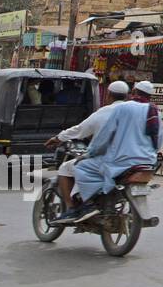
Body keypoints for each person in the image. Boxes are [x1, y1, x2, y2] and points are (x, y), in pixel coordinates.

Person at [54, 83, 159, 224]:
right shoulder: (153, 110)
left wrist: (90, 153)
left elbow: (105, 134)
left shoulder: (122, 108)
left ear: (133, 92)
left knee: (81, 166)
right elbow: (158, 138)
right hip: (147, 162)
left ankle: (87, 205)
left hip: (121, 161)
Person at [45, 80, 130, 212]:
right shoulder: (133, 113)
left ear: (108, 95)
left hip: (106, 160)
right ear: (127, 96)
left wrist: (58, 138)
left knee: (65, 168)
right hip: (129, 159)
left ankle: (71, 208)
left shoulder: (104, 112)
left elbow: (80, 129)